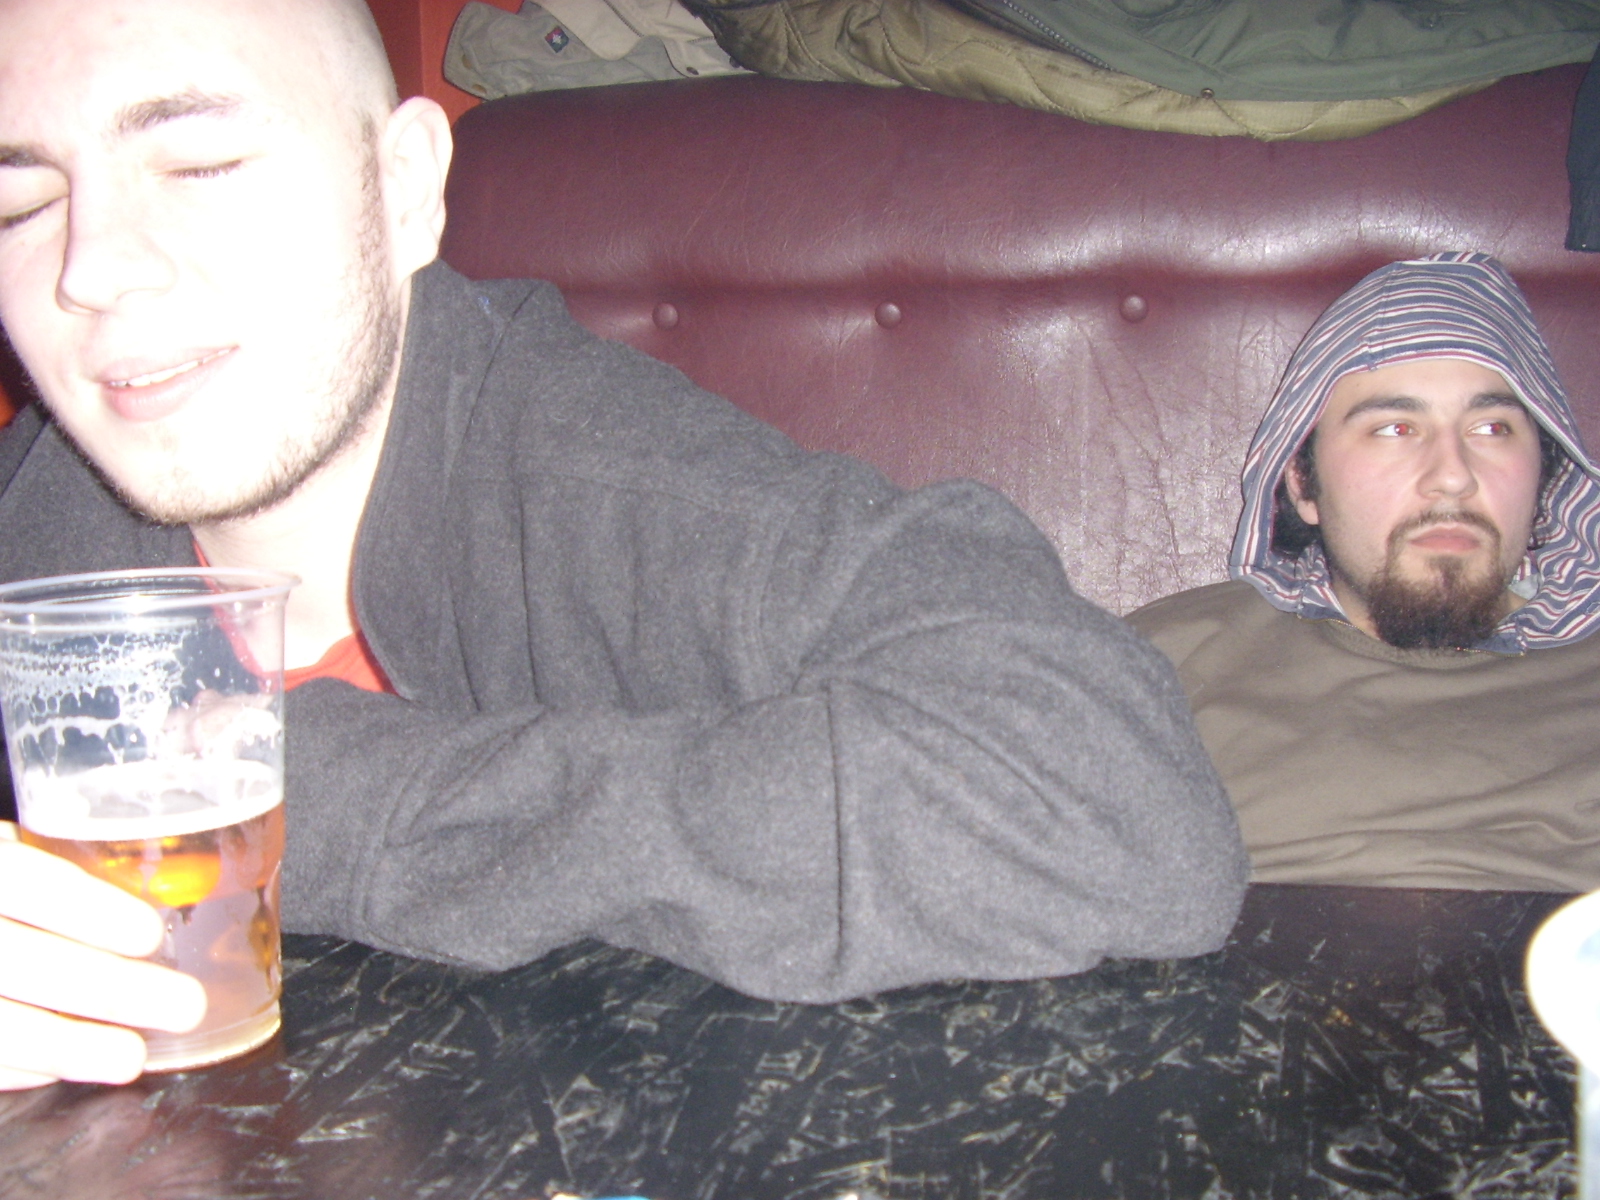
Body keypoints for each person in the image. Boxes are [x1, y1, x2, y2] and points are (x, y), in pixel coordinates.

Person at [0, 0, 1247, 1090]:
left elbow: (1113, 803)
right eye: (20, 203)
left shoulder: (606, 479)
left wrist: (314, 799)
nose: (91, 269)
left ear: (403, 188)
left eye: (200, 163)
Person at [1129, 252, 1600, 896]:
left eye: (1492, 428)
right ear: (1302, 484)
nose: (1453, 476)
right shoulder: (1165, 664)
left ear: (1545, 476)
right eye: (1395, 428)